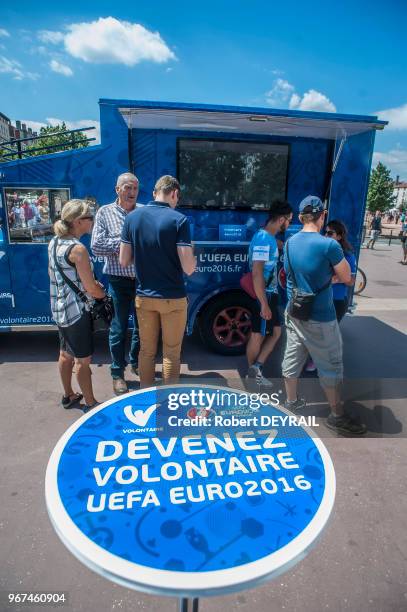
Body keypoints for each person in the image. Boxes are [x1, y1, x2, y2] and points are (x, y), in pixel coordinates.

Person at [282, 195, 366, 436]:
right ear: (322, 215)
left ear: (300, 217)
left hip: (294, 311)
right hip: (321, 316)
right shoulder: (329, 245)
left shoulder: (289, 243)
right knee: (331, 366)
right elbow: (349, 278)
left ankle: (291, 402)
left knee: (292, 360)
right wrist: (329, 277)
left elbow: (288, 275)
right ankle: (337, 416)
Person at [120, 175, 196, 387]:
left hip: (144, 297)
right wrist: (194, 255)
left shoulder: (132, 218)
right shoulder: (179, 220)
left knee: (146, 351)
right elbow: (189, 268)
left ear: (155, 193)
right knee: (171, 353)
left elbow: (123, 260)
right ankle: (169, 401)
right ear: (174, 193)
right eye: (176, 198)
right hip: (173, 297)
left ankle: (146, 396)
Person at [48, 199, 106, 412]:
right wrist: (103, 295)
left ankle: (68, 395)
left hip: (60, 308)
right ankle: (90, 403)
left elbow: (53, 275)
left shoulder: (54, 242)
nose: (92, 221)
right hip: (77, 312)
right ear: (78, 221)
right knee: (83, 360)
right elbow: (91, 288)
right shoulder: (78, 249)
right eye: (90, 218)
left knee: (65, 353)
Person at [91, 173, 140, 395]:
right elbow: (97, 246)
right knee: (118, 327)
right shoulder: (104, 212)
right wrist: (125, 242)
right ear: (117, 189)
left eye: (135, 188)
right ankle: (117, 374)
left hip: (143, 279)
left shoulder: (143, 212)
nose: (132, 192)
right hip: (118, 279)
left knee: (144, 327)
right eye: (128, 187)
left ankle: (137, 363)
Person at [246, 200, 293, 387]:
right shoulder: (265, 239)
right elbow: (257, 272)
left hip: (269, 294)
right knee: (258, 335)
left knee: (276, 332)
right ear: (281, 219)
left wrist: (280, 244)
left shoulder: (267, 237)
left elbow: (270, 250)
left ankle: (256, 367)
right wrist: (263, 303)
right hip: (263, 294)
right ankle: (252, 375)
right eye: (289, 220)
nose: (289, 224)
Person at [325, 220, 356, 321]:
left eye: (330, 233)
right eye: (325, 232)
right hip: (320, 299)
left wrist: (335, 279)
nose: (326, 235)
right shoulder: (322, 252)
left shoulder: (347, 256)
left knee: (329, 335)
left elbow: (351, 281)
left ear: (339, 236)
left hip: (336, 300)